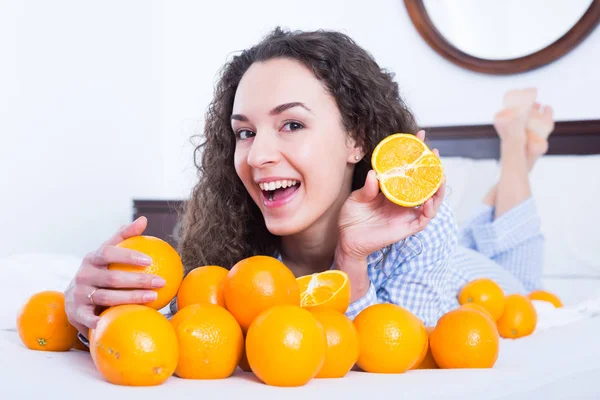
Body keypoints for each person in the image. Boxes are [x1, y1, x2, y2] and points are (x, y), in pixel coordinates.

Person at [64, 28, 552, 340]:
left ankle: (515, 153)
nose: (257, 156)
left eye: (292, 125)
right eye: (245, 132)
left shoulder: (418, 223)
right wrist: (92, 310)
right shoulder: (229, 248)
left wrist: (352, 260)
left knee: (520, 275)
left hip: (469, 275)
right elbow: (173, 326)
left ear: (356, 140)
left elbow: (394, 347)